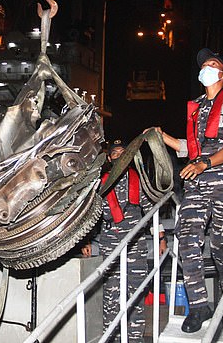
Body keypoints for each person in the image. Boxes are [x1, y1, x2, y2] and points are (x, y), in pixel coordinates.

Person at [153, 48, 223, 332]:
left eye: (213, 64)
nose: (206, 67)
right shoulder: (195, 106)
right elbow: (189, 148)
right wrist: (162, 136)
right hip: (197, 183)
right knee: (187, 237)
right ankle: (199, 305)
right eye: (204, 64)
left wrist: (205, 163)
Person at [94, 139, 166, 341]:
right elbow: (91, 215)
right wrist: (84, 243)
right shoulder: (100, 183)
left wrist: (160, 237)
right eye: (115, 153)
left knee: (136, 292)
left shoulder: (138, 179)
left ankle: (134, 337)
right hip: (110, 243)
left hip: (135, 244)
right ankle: (112, 337)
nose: (119, 156)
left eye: (123, 152)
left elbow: (151, 210)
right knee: (112, 295)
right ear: (109, 158)